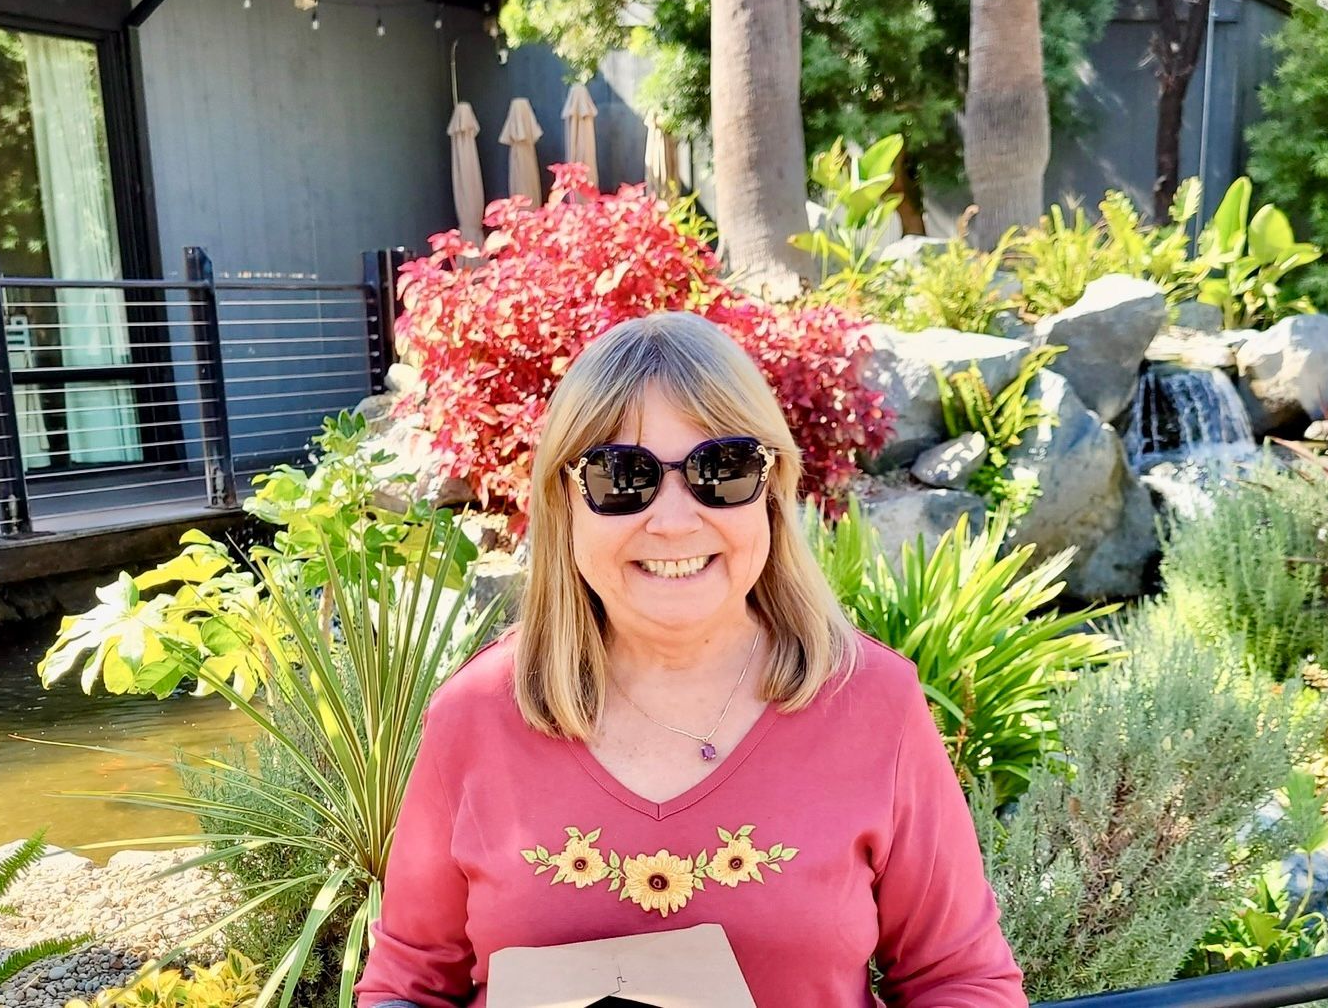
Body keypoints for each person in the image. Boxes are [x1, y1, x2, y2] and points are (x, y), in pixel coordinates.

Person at [355, 311, 1026, 1007]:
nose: (674, 522)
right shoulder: (475, 715)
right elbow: (408, 986)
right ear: (563, 500)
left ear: (771, 489)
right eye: (622, 476)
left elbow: (961, 980)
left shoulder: (872, 702)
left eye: (722, 470)